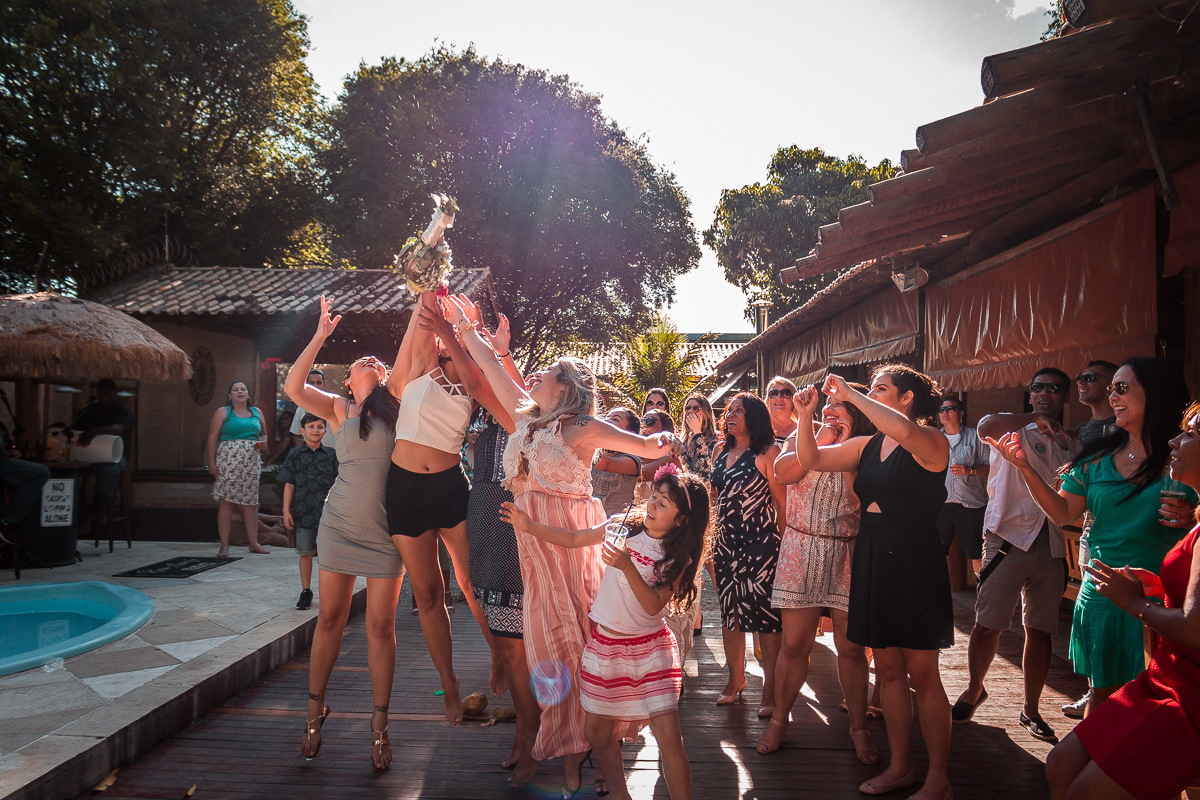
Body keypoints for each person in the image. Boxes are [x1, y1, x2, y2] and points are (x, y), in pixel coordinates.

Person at [445, 292, 683, 798]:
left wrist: (666, 445)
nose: (535, 376)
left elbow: (641, 448)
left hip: (573, 545)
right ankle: (571, 745)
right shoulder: (527, 417)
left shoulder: (581, 427)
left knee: (578, 643)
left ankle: (592, 751)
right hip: (532, 546)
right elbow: (488, 364)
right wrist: (465, 327)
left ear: (566, 386)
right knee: (547, 647)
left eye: (547, 371)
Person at [986, 357, 1195, 718]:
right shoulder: (1096, 457)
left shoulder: (1184, 457)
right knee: (1103, 699)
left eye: (1122, 388)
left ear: (1156, 394)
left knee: (1162, 704)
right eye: (1112, 388)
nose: (1112, 397)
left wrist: (1192, 517)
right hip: (1103, 595)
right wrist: (1024, 467)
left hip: (1166, 601)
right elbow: (1062, 512)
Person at [792, 366, 952, 800]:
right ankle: (900, 767)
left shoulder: (931, 442)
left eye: (882, 388)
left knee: (923, 672)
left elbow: (902, 430)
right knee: (889, 670)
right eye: (871, 389)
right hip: (873, 552)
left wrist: (853, 394)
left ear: (906, 399)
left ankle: (939, 781)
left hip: (916, 558)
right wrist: (806, 417)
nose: (872, 393)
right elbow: (810, 460)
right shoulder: (867, 445)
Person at [501, 466, 709, 800]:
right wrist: (530, 526)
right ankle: (619, 794)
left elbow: (653, 605)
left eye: (663, 503)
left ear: (682, 520)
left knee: (669, 738)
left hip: (649, 651)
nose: (652, 505)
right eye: (654, 497)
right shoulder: (623, 528)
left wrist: (626, 565)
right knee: (596, 732)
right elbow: (572, 539)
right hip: (605, 647)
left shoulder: (676, 558)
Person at [1045, 402, 1200, 800]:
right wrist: (1157, 589)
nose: (1175, 440)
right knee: (1060, 763)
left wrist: (1136, 603)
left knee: (1085, 791)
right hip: (1163, 677)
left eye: (1191, 434)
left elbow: (1194, 628)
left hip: (1189, 697)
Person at [286, 297, 405, 771]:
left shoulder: (397, 402)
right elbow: (294, 386)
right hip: (338, 527)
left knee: (381, 627)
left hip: (386, 533)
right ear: (349, 379)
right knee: (330, 619)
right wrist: (319, 336)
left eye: (377, 361)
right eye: (361, 362)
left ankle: (379, 725)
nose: (371, 362)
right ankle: (315, 710)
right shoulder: (338, 409)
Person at [386, 291, 509, 724]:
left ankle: (498, 652)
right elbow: (425, 301)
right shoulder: (422, 361)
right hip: (404, 490)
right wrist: (435, 241)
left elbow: (494, 378)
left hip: (451, 487)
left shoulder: (476, 384)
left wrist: (470, 330)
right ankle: (449, 683)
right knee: (427, 594)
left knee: (472, 580)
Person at [951, 368, 1079, 744]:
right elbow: (987, 424)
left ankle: (1031, 708)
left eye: (1053, 389)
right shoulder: (1013, 429)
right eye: (1037, 388)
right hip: (1007, 539)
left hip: (1052, 545)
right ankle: (975, 689)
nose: (1044, 393)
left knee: (1040, 631)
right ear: (1029, 394)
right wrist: (1034, 418)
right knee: (988, 624)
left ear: (1065, 397)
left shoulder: (1071, 443)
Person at [757, 384, 878, 764]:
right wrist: (817, 431)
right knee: (795, 645)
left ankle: (859, 730)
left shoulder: (867, 446)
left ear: (858, 414)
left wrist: (842, 453)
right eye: (829, 406)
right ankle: (778, 721)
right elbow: (784, 473)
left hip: (847, 548)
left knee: (851, 646)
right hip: (800, 545)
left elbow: (861, 498)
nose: (832, 413)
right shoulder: (805, 432)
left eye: (841, 409)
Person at [709, 393, 785, 716]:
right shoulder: (719, 450)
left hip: (761, 545)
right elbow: (714, 498)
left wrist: (785, 545)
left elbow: (782, 504)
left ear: (754, 416)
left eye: (738, 411)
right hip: (724, 545)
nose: (730, 416)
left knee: (765, 619)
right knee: (731, 614)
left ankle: (770, 688)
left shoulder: (769, 453)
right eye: (728, 411)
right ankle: (735, 678)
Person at [1060, 359, 1117, 720]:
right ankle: (1095, 690)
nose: (1081, 382)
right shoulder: (1083, 430)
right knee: (1095, 620)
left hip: (1120, 534)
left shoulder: (1124, 431)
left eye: (1090, 377)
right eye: (1079, 377)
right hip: (1090, 532)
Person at [279, 414, 338, 610]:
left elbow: (340, 483)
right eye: (311, 426)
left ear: (325, 431)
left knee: (328, 555)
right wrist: (286, 511)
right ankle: (306, 591)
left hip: (328, 514)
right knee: (305, 552)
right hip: (304, 512)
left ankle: (329, 592)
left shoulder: (331, 455)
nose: (315, 430)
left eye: (320, 426)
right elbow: (289, 483)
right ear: (302, 430)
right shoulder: (295, 455)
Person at [205, 380, 268, 557]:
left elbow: (263, 432)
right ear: (230, 395)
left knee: (251, 504)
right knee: (226, 503)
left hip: (250, 462)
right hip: (228, 461)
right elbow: (211, 439)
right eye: (235, 389)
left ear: (248, 393)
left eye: (243, 389)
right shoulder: (223, 412)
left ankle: (253, 543)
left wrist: (263, 443)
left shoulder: (257, 412)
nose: (240, 392)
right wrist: (212, 463)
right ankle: (224, 546)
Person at [935, 396, 990, 579]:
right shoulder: (934, 438)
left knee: (976, 552)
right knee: (935, 551)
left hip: (970, 503)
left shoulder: (975, 437)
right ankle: (935, 594)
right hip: (941, 503)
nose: (945, 413)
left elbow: (991, 468)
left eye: (950, 409)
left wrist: (971, 470)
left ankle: (983, 592)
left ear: (961, 413)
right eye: (942, 410)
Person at [71, 378, 135, 519]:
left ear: (115, 393)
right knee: (69, 469)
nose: (104, 395)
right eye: (101, 392)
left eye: (108, 392)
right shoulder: (90, 409)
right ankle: (77, 504)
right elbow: (75, 429)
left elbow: (119, 428)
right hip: (89, 455)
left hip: (117, 455)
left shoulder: (123, 410)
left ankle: (101, 504)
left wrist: (95, 431)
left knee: (108, 469)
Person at [591, 407, 642, 516]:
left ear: (629, 434)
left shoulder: (633, 460)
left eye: (615, 419)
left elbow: (606, 464)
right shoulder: (596, 452)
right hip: (587, 521)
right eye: (606, 417)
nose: (606, 421)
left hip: (614, 527)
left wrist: (584, 440)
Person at [290, 369, 336, 448]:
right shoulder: (301, 409)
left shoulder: (335, 406)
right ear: (306, 385)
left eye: (318, 382)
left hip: (332, 456)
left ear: (323, 384)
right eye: (312, 383)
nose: (315, 386)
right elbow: (296, 434)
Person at [680, 393, 717, 475]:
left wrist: (697, 433)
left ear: (706, 413)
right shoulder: (682, 440)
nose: (691, 411)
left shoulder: (715, 439)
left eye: (696, 408)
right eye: (688, 408)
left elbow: (706, 468)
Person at [765, 376, 798, 445]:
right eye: (773, 393)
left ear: (794, 399)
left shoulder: (802, 428)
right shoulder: (758, 427)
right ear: (768, 400)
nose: (779, 398)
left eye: (785, 393)